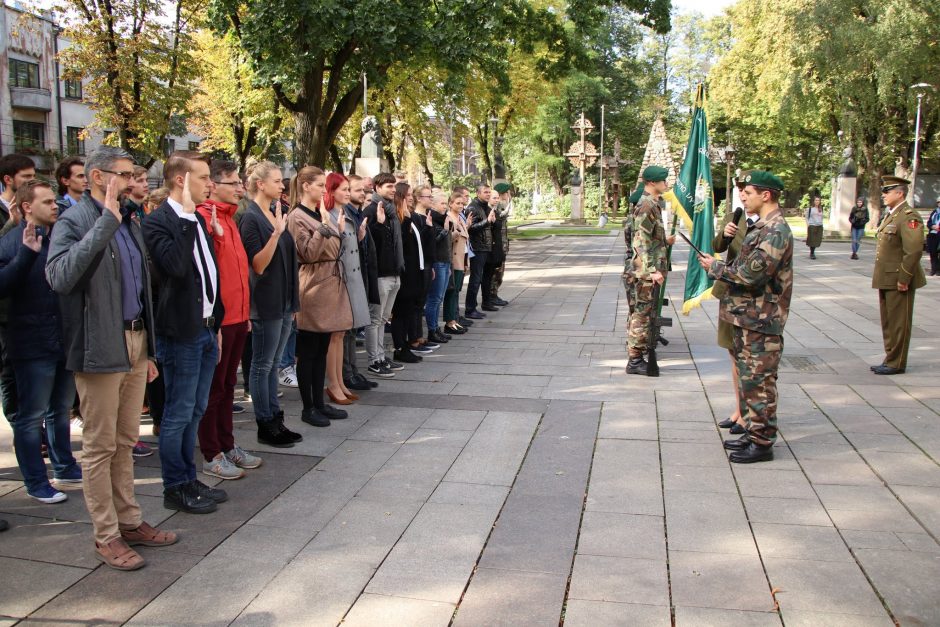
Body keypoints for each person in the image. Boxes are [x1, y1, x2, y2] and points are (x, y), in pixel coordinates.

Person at [47, 146, 176, 571]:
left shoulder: (129, 217)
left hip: (136, 342)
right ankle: (105, 535)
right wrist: (105, 224)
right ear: (100, 177)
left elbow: (141, 288)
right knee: (101, 447)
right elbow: (61, 277)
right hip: (100, 345)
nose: (133, 180)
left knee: (125, 442)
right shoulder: (77, 219)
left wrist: (150, 350)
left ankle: (130, 521)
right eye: (124, 174)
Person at [142, 151, 227, 514]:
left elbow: (210, 274)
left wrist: (217, 322)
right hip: (181, 332)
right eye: (204, 176)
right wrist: (188, 220)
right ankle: (174, 485)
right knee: (178, 412)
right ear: (181, 180)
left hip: (206, 330)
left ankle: (189, 477)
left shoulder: (196, 219)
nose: (211, 183)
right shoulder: (161, 222)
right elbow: (176, 267)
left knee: (197, 407)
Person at [697, 171, 794, 464]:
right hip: (747, 317)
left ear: (766, 195)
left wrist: (715, 268)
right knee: (750, 381)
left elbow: (751, 274)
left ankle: (763, 443)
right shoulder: (761, 226)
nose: (743, 197)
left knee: (760, 383)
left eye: (748, 192)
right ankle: (753, 432)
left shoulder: (776, 230)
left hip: (761, 320)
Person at [0, 180, 81, 504]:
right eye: (47, 202)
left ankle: (64, 465)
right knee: (31, 416)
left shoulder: (55, 240)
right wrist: (24, 254)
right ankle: (36, 480)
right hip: (30, 345)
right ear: (25, 207)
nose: (55, 206)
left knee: (60, 409)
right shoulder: (9, 243)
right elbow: (4, 286)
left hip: (61, 340)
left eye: (54, 201)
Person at [195, 160, 261, 480]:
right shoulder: (206, 217)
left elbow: (238, 273)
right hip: (219, 321)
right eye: (233, 182)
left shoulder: (231, 218)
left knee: (229, 385)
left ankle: (228, 444)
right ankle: (212, 451)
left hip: (238, 317)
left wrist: (245, 313)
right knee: (214, 389)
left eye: (240, 182)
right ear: (215, 185)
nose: (239, 188)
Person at [239, 161, 302, 446]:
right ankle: (265, 422)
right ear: (260, 184)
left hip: (284, 299)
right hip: (265, 302)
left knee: (275, 362)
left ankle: (276, 418)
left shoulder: (278, 211)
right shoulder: (251, 218)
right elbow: (258, 265)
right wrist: (276, 233)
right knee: (262, 365)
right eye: (276, 181)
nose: (281, 186)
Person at [287, 167, 352, 427]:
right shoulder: (297, 216)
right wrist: (325, 228)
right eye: (319, 185)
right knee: (309, 350)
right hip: (314, 286)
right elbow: (307, 253)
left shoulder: (317, 213)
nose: (323, 190)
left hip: (330, 283)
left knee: (323, 347)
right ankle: (308, 407)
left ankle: (319, 402)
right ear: (305, 186)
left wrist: (336, 229)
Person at [870, 175, 925, 375]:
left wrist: (904, 278)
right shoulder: (893, 214)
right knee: (888, 321)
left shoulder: (909, 216)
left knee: (899, 321)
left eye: (887, 191)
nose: (883, 195)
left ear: (899, 193)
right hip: (886, 277)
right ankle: (890, 357)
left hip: (898, 278)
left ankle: (897, 362)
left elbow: (913, 251)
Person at [712, 174, 752, 437]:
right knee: (732, 353)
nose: (742, 195)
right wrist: (725, 236)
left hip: (748, 299)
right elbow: (717, 246)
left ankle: (749, 416)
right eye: (740, 190)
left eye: (747, 190)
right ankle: (739, 411)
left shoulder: (767, 224)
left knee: (747, 358)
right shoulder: (735, 216)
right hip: (730, 293)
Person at [625, 166, 675, 376]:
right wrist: (653, 270)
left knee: (643, 313)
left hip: (644, 270)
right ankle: (635, 360)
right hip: (644, 272)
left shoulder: (651, 203)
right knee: (642, 315)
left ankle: (638, 354)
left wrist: (664, 240)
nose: (666, 184)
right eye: (663, 181)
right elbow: (641, 241)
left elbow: (648, 237)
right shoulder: (646, 204)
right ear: (653, 183)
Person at [0, 153, 35, 426]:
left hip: (29, 305)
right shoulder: (6, 213)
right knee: (9, 371)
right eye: (26, 178)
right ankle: (18, 422)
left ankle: (35, 427)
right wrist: (11, 224)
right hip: (5, 309)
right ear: (9, 180)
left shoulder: (33, 207)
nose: (32, 183)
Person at [329, 174, 371, 400]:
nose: (348, 193)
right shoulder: (328, 215)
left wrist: (361, 236)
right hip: (339, 281)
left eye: (349, 189)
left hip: (352, 278)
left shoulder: (347, 214)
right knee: (339, 334)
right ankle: (340, 379)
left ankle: (348, 375)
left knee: (348, 330)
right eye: (344, 189)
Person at [362, 173, 403, 378]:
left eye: (394, 186)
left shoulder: (391, 211)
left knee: (383, 318)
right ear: (377, 188)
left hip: (394, 271)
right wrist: (378, 224)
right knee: (375, 319)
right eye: (389, 186)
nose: (393, 189)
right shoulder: (371, 210)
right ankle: (374, 360)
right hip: (379, 274)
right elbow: (367, 244)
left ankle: (381, 356)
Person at [342, 174, 377, 391]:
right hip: (347, 279)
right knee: (347, 331)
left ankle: (354, 371)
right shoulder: (345, 214)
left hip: (360, 275)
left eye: (362, 191)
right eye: (356, 190)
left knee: (353, 329)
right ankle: (347, 374)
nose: (361, 194)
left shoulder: (357, 213)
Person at [464, 185, 496, 319]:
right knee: (475, 279)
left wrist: (491, 222)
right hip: (477, 247)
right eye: (485, 192)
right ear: (478, 193)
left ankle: (479, 304)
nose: (488, 194)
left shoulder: (486, 206)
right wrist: (487, 222)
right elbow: (470, 229)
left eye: (489, 192)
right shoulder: (473, 207)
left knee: (482, 277)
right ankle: (470, 309)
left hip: (485, 247)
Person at [426, 189, 453, 342]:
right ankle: (432, 329)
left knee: (439, 297)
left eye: (445, 203)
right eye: (442, 203)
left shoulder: (444, 218)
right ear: (434, 204)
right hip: (437, 262)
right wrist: (445, 230)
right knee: (434, 298)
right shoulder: (432, 219)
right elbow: (433, 241)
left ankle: (436, 328)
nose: (445, 206)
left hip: (444, 261)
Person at [443, 191, 471, 335]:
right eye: (457, 203)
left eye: (462, 203)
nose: (461, 205)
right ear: (450, 204)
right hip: (453, 260)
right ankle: (450, 321)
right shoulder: (449, 218)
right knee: (451, 292)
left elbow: (464, 242)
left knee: (456, 291)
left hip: (461, 260)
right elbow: (450, 240)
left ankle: (454, 320)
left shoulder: (459, 218)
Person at [489, 183, 512, 306]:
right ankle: (492, 295)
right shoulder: (496, 209)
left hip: (502, 245)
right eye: (506, 194)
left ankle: (494, 294)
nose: (508, 196)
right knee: (495, 272)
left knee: (499, 272)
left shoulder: (501, 208)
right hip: (496, 246)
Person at [926, 200, 940, 276]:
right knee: (933, 253)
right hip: (933, 234)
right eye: (938, 202)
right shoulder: (935, 212)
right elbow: (929, 223)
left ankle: (939, 270)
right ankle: (933, 269)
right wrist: (932, 226)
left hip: (939, 234)